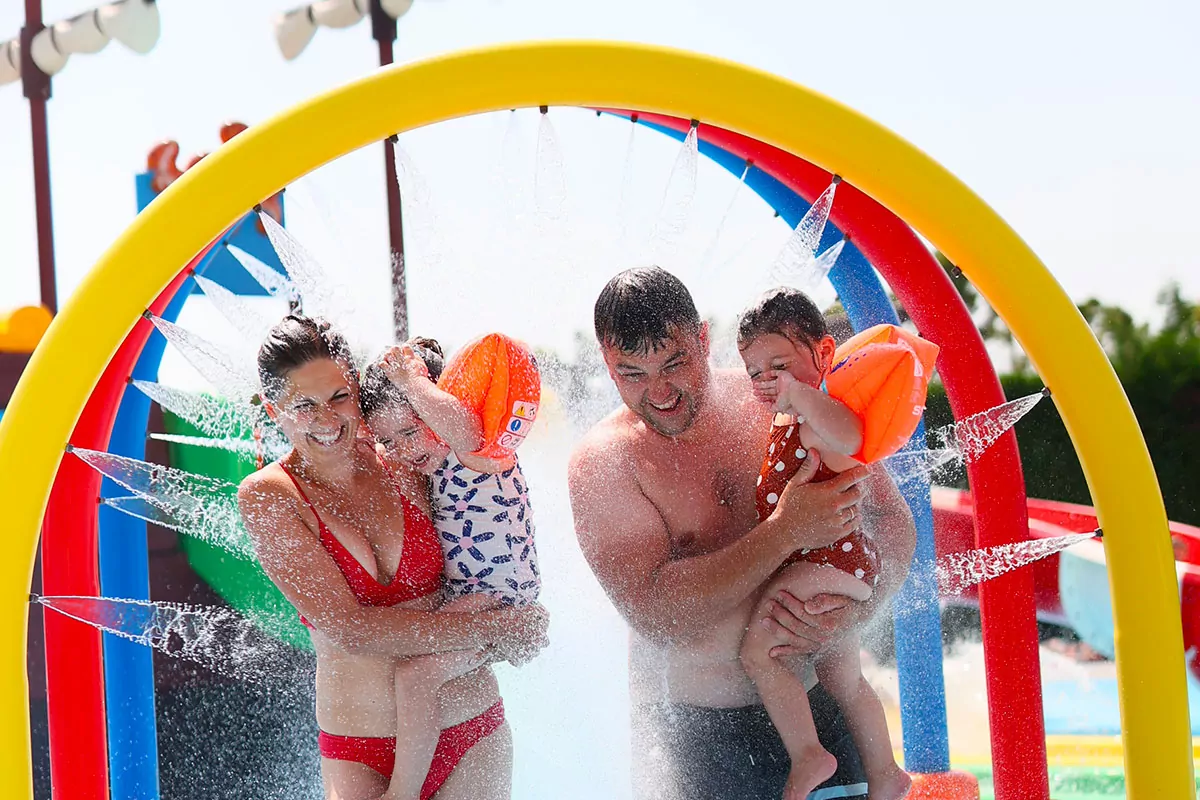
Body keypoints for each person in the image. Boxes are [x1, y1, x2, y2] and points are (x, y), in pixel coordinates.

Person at [568, 267, 916, 800]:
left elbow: (891, 523)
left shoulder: (779, 400)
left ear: (704, 338)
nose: (659, 391)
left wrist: (859, 610)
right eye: (631, 373)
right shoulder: (606, 464)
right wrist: (784, 531)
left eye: (675, 363)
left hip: (821, 706)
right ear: (607, 365)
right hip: (704, 735)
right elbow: (655, 611)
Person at [237, 315, 548, 800]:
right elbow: (350, 628)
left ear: (357, 390)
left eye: (340, 396)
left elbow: (487, 507)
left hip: (469, 729)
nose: (327, 419)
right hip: (362, 750)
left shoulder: (403, 455)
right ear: (274, 411)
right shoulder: (270, 497)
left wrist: (520, 614)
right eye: (304, 405)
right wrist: (497, 629)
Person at [736, 287, 914, 800]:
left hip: (830, 560)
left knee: (759, 653)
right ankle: (886, 773)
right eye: (755, 373)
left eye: (780, 365)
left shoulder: (820, 413)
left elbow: (853, 438)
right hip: (841, 562)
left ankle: (808, 754)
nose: (768, 380)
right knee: (844, 678)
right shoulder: (794, 416)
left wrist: (803, 397)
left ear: (824, 354)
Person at [357, 333, 542, 799]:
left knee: (412, 676)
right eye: (388, 439)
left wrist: (412, 381)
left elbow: (462, 427)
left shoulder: (478, 453)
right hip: (487, 596)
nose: (401, 449)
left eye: (411, 430)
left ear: (440, 403)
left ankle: (402, 792)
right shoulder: (434, 465)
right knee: (410, 665)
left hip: (498, 597)